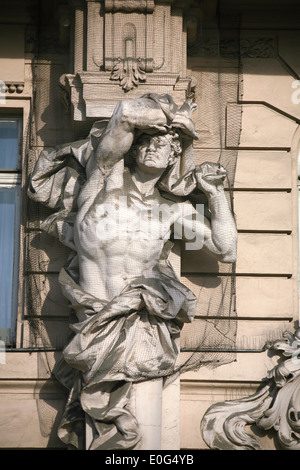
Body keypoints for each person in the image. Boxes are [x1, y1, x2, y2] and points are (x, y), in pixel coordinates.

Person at [28, 93, 237, 450]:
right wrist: (163, 116)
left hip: (143, 320)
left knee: (145, 429)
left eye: (166, 145)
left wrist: (215, 194)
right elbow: (123, 116)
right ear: (134, 149)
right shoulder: (101, 185)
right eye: (147, 142)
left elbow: (226, 249)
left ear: (175, 157)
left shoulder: (173, 213)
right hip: (96, 316)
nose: (155, 148)